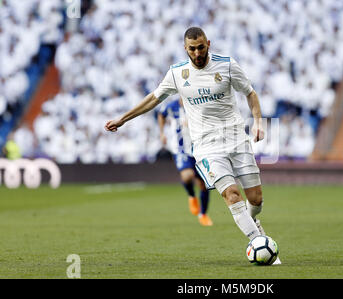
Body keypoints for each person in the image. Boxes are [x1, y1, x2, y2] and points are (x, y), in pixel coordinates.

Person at [105, 27, 280, 264]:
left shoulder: (227, 65)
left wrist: (258, 122)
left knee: (256, 199)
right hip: (206, 145)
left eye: (201, 47)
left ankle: (254, 224)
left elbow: (250, 93)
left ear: (208, 43)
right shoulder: (178, 73)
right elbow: (154, 98)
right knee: (231, 194)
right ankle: (258, 241)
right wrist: (122, 119)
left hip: (237, 138)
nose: (197, 53)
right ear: (185, 48)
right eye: (192, 49)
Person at [158, 98, 213, 226]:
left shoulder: (198, 105)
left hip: (199, 149)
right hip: (180, 149)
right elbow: (161, 115)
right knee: (187, 176)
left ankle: (203, 214)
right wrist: (161, 133)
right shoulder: (172, 106)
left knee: (203, 183)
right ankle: (191, 195)